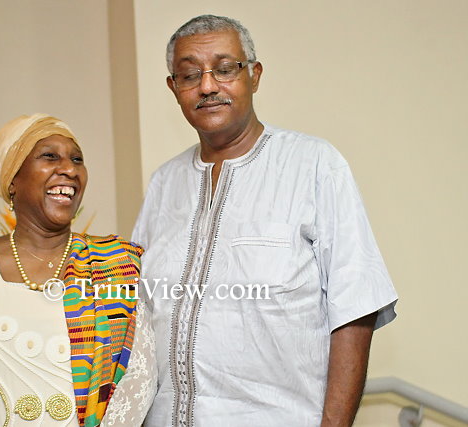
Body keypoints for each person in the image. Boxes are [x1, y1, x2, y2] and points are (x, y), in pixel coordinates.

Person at [132, 15, 398, 426]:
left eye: (225, 69)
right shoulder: (163, 184)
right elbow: (140, 315)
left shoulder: (313, 164)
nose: (207, 86)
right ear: (174, 88)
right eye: (190, 75)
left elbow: (355, 308)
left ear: (254, 75)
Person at [0, 114, 156, 427]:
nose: (69, 169)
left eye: (77, 159)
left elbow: (138, 375)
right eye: (50, 156)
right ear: (12, 180)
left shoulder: (114, 264)